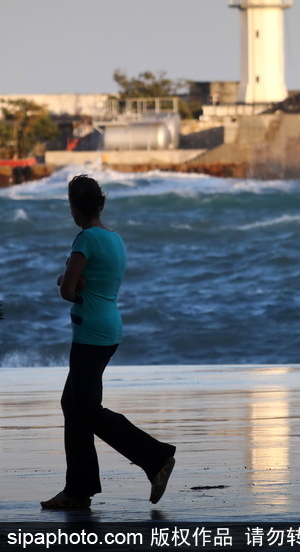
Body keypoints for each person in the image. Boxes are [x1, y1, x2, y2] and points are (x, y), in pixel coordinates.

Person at [41, 175, 176, 510]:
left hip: (90, 333)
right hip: (109, 328)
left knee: (87, 410)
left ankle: (156, 457)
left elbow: (67, 290)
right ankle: (78, 489)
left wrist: (65, 279)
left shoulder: (85, 240)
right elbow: (85, 281)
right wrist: (70, 279)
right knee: (73, 405)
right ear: (100, 205)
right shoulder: (115, 239)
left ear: (74, 208)